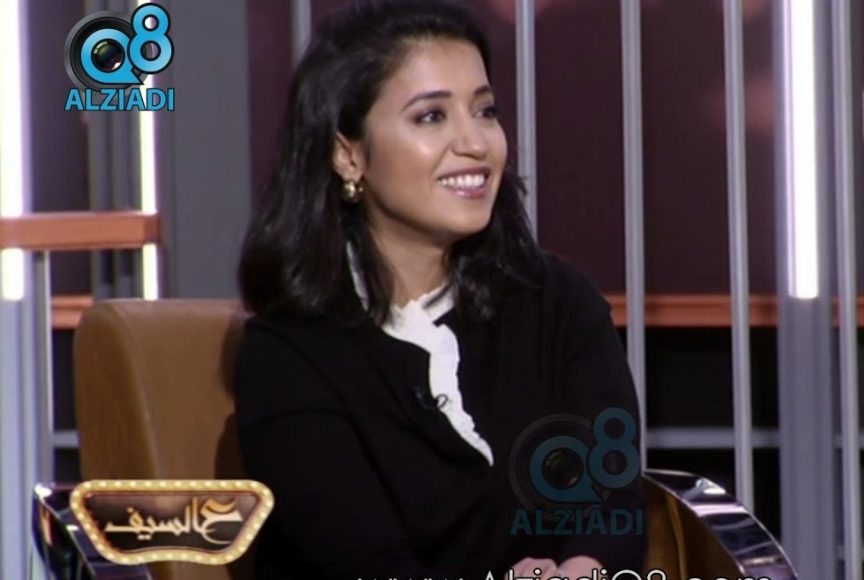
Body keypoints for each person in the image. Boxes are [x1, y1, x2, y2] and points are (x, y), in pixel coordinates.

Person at [233, 0, 647, 577]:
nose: (475, 143)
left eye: (485, 111)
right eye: (431, 116)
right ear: (348, 154)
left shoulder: (559, 304)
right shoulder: (288, 355)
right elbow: (360, 561)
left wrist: (583, 570)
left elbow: (610, 503)